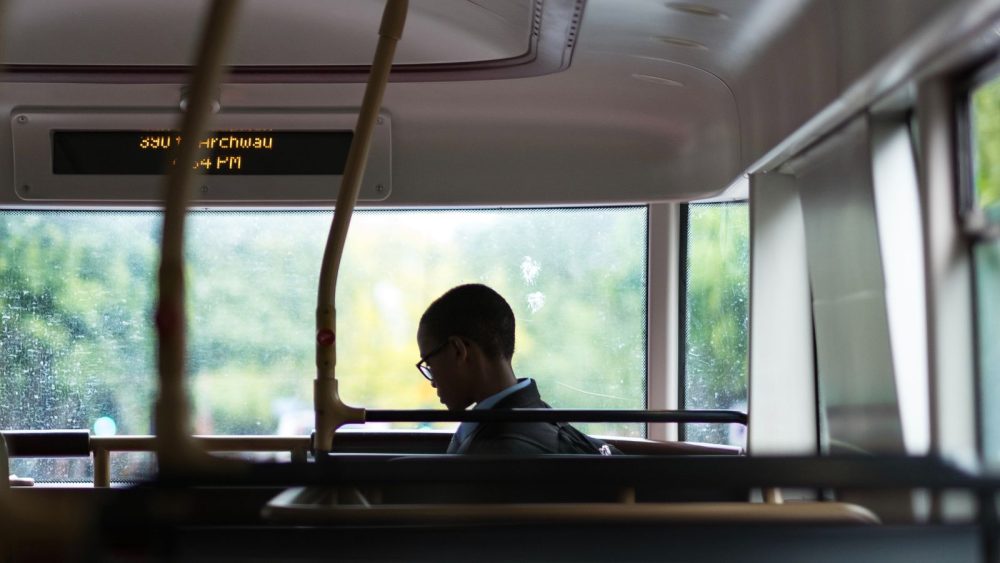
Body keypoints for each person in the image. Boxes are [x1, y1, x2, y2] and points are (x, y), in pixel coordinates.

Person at [416, 284, 618, 455]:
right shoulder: (541, 416)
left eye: (429, 363)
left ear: (459, 351)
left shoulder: (493, 451)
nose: (432, 380)